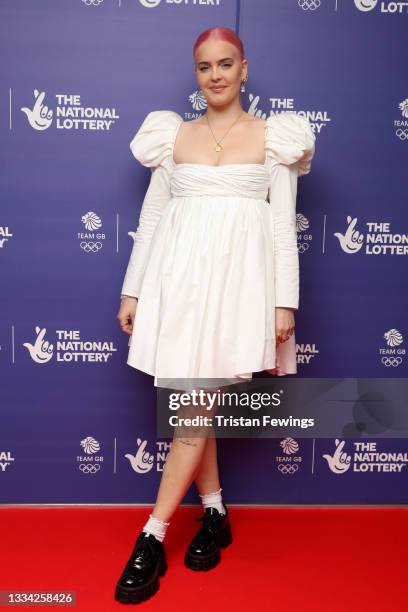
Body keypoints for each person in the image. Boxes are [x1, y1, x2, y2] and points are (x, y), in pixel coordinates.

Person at [115, 26, 316, 604]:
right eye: (205, 67)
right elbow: (152, 221)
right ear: (196, 74)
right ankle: (215, 512)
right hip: (177, 287)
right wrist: (133, 292)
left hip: (238, 290)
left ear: (245, 69)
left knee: (193, 409)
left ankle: (151, 536)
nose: (217, 75)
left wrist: (285, 302)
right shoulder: (172, 137)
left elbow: (282, 228)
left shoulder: (275, 138)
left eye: (226, 64)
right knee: (194, 406)